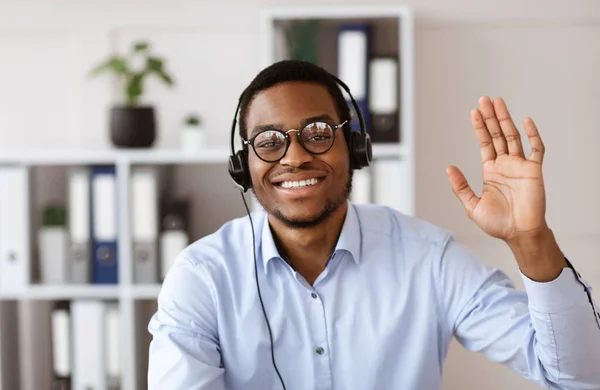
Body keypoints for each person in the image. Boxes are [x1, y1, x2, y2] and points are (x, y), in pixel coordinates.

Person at [147, 59, 600, 390]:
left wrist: (530, 239)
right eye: (269, 142)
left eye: (319, 134)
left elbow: (578, 373)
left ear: (356, 148)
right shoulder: (202, 277)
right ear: (242, 166)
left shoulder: (427, 258)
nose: (296, 155)